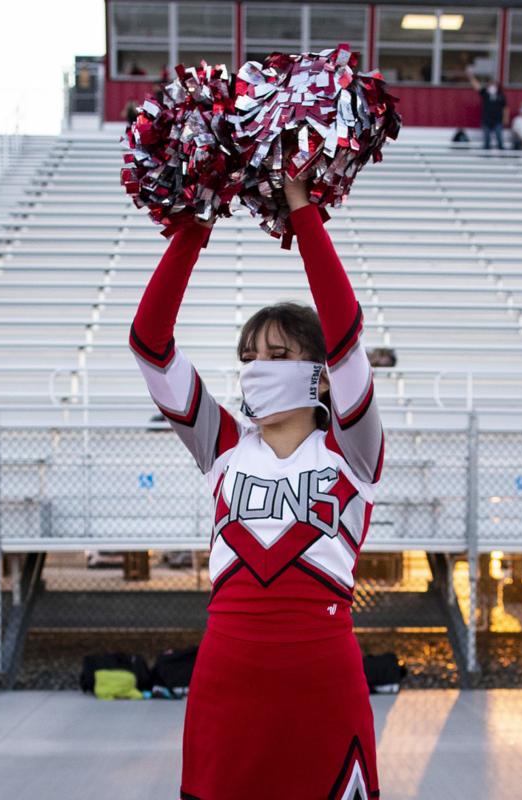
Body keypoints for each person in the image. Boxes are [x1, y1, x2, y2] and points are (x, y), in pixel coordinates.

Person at [131, 176, 384, 799]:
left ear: (320, 375)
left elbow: (347, 340)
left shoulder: (353, 450)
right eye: (249, 357)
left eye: (276, 355)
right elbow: (150, 344)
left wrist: (303, 210)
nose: (256, 369)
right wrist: (196, 221)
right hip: (228, 678)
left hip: (322, 681)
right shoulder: (221, 445)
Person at [466, 67, 507, 150]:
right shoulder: (485, 93)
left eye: (494, 84)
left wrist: (505, 119)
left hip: (497, 121)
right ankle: (486, 155)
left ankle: (502, 155)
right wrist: (470, 76)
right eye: (491, 84)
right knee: (487, 140)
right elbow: (477, 86)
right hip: (486, 121)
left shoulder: (501, 95)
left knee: (499, 139)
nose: (492, 86)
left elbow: (505, 108)